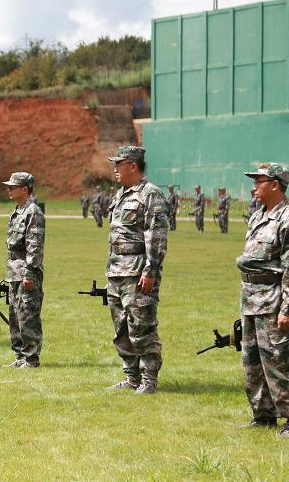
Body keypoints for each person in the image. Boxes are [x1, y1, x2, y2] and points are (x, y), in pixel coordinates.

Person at [238, 162, 289, 439]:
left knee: (282, 361)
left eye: (259, 182)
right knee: (253, 362)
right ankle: (263, 415)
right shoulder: (259, 215)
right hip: (251, 300)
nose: (254, 187)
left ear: (275, 185)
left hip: (274, 302)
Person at [104, 147, 169, 395]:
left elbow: (157, 236)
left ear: (133, 166)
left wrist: (150, 271)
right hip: (116, 272)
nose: (115, 169)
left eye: (119, 164)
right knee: (121, 328)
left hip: (138, 273)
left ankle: (149, 380)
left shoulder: (150, 194)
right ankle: (132, 377)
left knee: (142, 327)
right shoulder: (120, 195)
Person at [2, 172, 45, 368]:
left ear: (25, 189)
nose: (9, 189)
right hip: (14, 271)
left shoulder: (32, 212)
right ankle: (20, 356)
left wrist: (30, 273)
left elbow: (35, 246)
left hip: (26, 272)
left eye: (13, 186)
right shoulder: (18, 211)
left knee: (28, 315)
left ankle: (31, 358)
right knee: (15, 316)